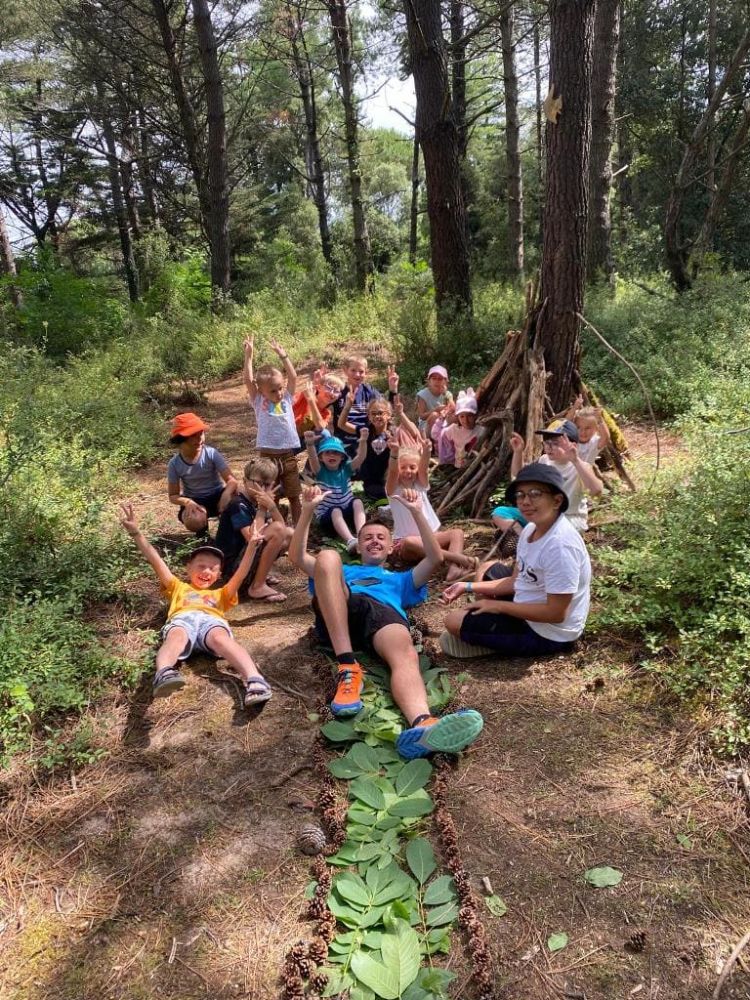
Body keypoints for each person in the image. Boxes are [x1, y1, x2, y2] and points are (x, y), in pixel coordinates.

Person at [289, 485, 484, 760]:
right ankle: (348, 666)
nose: (374, 541)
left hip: (383, 615)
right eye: (367, 537)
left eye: (382, 537)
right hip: (342, 607)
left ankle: (423, 725)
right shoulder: (343, 569)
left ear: (392, 546)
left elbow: (435, 558)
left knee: (405, 654)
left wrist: (417, 513)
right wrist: (308, 510)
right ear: (358, 546)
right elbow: (297, 557)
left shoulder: (401, 579)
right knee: (327, 556)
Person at [119, 503, 273, 707]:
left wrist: (252, 546)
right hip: (183, 619)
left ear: (218, 575)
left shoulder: (221, 593)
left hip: (211, 621)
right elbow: (156, 561)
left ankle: (255, 680)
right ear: (188, 567)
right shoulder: (177, 587)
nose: (207, 571)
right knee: (177, 636)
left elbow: (242, 573)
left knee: (221, 638)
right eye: (201, 565)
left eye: (213, 568)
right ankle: (164, 672)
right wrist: (137, 533)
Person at [440, 463, 591, 659]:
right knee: (486, 568)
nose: (525, 501)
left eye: (535, 493)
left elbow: (556, 613)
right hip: (528, 602)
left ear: (557, 500)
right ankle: (491, 629)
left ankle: (499, 641)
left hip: (549, 632)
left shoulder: (560, 546)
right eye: (521, 495)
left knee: (452, 621)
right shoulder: (530, 529)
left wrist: (498, 606)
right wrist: (467, 586)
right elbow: (515, 581)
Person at [385, 435, 475, 582]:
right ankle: (456, 558)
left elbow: (424, 470)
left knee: (456, 533)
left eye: (412, 467)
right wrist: (394, 453)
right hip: (407, 545)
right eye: (403, 467)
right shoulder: (393, 490)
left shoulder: (420, 485)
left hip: (430, 537)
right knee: (409, 542)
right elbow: (393, 472)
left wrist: (427, 451)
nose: (408, 471)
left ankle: (453, 570)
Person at [215, 456, 294, 602]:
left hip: (245, 561)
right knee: (276, 529)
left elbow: (282, 527)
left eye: (268, 484)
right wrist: (263, 509)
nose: (263, 489)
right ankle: (257, 586)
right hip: (232, 570)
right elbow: (252, 538)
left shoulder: (254, 502)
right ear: (245, 481)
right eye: (258, 483)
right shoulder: (238, 504)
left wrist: (271, 506)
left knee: (288, 533)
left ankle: (258, 576)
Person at [243, 335, 303, 524]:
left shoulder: (286, 398)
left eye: (280, 388)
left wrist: (283, 356)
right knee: (272, 495)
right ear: (261, 391)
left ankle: (300, 528)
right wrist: (249, 356)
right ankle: (277, 526)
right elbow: (248, 380)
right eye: (273, 391)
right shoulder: (258, 400)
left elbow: (293, 376)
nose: (278, 393)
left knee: (294, 495)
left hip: (288, 456)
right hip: (267, 458)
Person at [166, 412, 237, 536]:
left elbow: (232, 481)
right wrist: (187, 502)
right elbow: (173, 495)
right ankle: (203, 537)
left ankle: (229, 533)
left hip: (217, 495)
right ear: (180, 440)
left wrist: (226, 494)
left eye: (201, 433)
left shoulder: (211, 453)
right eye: (193, 435)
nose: (199, 438)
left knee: (237, 499)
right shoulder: (174, 464)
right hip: (195, 500)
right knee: (194, 520)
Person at [304, 432, 368, 551]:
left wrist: (363, 441)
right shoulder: (320, 472)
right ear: (321, 457)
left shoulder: (347, 469)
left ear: (342, 456)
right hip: (328, 517)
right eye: (327, 452)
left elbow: (360, 458)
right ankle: (350, 541)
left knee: (357, 502)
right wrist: (310, 444)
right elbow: (312, 459)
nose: (331, 455)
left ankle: (362, 534)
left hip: (346, 511)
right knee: (335, 510)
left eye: (335, 452)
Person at [332, 357, 399, 456]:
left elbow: (386, 410)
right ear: (345, 370)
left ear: (366, 373)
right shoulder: (338, 392)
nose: (357, 374)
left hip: (367, 435)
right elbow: (338, 422)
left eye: (361, 371)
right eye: (353, 370)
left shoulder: (369, 391)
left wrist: (393, 390)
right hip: (344, 438)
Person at [292, 367, 345, 449]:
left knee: (324, 434)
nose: (332, 393)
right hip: (281, 436)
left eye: (336, 391)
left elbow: (320, 427)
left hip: (295, 444)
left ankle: (315, 462)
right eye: (328, 387)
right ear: (319, 387)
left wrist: (311, 401)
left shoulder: (326, 413)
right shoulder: (304, 396)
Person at [433, 388, 481, 469]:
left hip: (476, 467)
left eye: (469, 415)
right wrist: (440, 420)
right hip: (459, 468)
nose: (465, 420)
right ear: (458, 417)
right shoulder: (454, 429)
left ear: (475, 415)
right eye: (462, 416)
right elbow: (436, 435)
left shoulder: (481, 429)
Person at [567, 397, 611, 465]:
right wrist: (575, 407)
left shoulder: (594, 442)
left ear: (596, 429)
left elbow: (606, 438)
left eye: (587, 428)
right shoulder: (571, 439)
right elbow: (566, 423)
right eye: (578, 427)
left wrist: (600, 420)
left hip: (582, 474)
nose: (583, 432)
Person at [416, 365, 453, 434]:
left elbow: (453, 409)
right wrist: (436, 410)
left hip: (443, 421)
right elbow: (422, 416)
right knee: (434, 415)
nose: (437, 381)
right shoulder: (423, 394)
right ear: (429, 381)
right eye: (434, 378)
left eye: (440, 379)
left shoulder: (447, 394)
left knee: (454, 417)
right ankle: (431, 441)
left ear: (445, 381)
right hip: (426, 425)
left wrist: (446, 395)